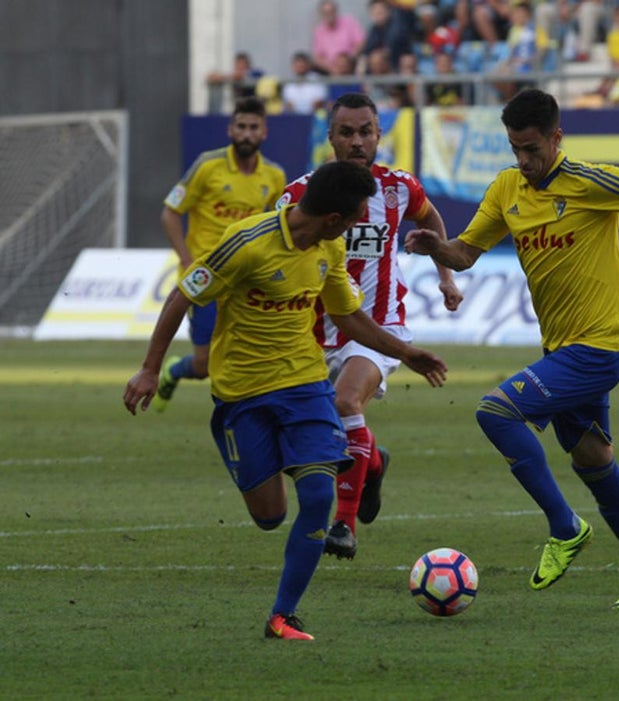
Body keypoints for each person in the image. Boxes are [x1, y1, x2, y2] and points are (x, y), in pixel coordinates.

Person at [404, 88, 619, 609]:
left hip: (597, 350)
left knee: (495, 412)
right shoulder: (506, 188)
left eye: (532, 149)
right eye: (515, 149)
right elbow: (466, 253)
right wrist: (438, 249)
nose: (524, 160)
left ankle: (565, 528)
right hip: (560, 351)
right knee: (593, 459)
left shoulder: (591, 182)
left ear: (556, 138)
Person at [123, 160, 448, 640]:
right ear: (334, 218)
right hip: (242, 395)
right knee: (270, 516)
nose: (356, 227)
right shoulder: (247, 242)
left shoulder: (329, 248)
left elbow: (348, 316)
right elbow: (182, 296)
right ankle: (298, 459)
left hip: (305, 387)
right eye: (354, 218)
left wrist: (406, 352)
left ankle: (283, 615)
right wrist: (151, 368)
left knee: (317, 497)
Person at [282, 92, 463, 560]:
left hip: (381, 327)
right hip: (316, 334)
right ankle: (374, 461)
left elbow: (430, 216)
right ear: (330, 138)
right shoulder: (299, 195)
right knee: (317, 432)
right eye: (347, 133)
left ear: (380, 135)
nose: (357, 142)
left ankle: (343, 526)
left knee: (346, 400)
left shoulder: (399, 188)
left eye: (366, 132)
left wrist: (445, 275)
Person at [155, 96, 286, 412]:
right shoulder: (207, 166)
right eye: (241, 126)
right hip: (207, 278)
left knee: (253, 355)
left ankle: (250, 414)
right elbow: (170, 213)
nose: (246, 134)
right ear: (230, 130)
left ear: (264, 132)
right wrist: (187, 260)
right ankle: (175, 370)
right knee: (204, 365)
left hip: (246, 280)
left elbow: (276, 226)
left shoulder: (274, 176)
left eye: (253, 127)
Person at [312, 0, 367, 74]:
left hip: (351, 62)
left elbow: (361, 43)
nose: (329, 15)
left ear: (336, 11)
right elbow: (318, 57)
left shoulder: (349, 22)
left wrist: (347, 60)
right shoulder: (319, 31)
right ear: (321, 14)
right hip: (330, 69)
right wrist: (331, 68)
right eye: (326, 12)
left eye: (331, 11)